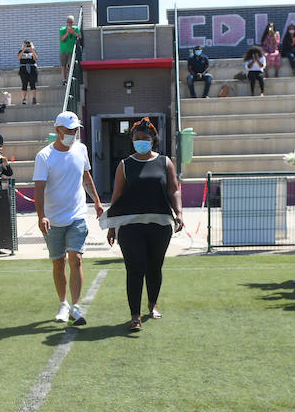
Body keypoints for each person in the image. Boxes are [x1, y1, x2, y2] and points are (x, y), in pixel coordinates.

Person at [102, 118, 183, 330]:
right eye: (137, 138)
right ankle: (135, 315)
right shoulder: (125, 165)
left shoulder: (165, 162)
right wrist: (112, 225)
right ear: (132, 140)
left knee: (155, 268)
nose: (141, 141)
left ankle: (153, 303)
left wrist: (179, 212)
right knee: (135, 268)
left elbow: (173, 189)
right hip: (130, 226)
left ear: (153, 140)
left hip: (160, 225)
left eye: (145, 138)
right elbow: (117, 196)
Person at [34, 111, 104, 325]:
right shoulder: (44, 156)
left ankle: (75, 306)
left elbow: (86, 177)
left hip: (77, 216)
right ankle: (63, 303)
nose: (73, 134)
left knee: (76, 258)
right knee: (58, 263)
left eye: (76, 130)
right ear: (58, 130)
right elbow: (39, 188)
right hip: (53, 219)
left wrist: (98, 202)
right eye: (69, 130)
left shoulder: (81, 149)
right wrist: (41, 216)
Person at [59, 15, 79, 82]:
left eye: (71, 22)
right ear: (66, 22)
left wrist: (73, 33)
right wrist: (67, 32)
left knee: (71, 65)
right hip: (63, 50)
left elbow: (80, 36)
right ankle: (64, 79)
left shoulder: (75, 28)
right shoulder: (62, 29)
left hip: (71, 50)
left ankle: (70, 78)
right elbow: (61, 39)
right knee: (63, 65)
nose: (70, 23)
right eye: (68, 22)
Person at [18, 40, 39, 105]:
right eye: (26, 44)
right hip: (23, 69)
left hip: (32, 68)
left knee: (33, 84)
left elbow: (36, 58)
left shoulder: (33, 51)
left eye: (28, 44)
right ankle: (24, 99)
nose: (27, 45)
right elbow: (19, 57)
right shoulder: (21, 51)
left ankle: (34, 98)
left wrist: (32, 49)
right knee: (24, 84)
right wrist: (23, 49)